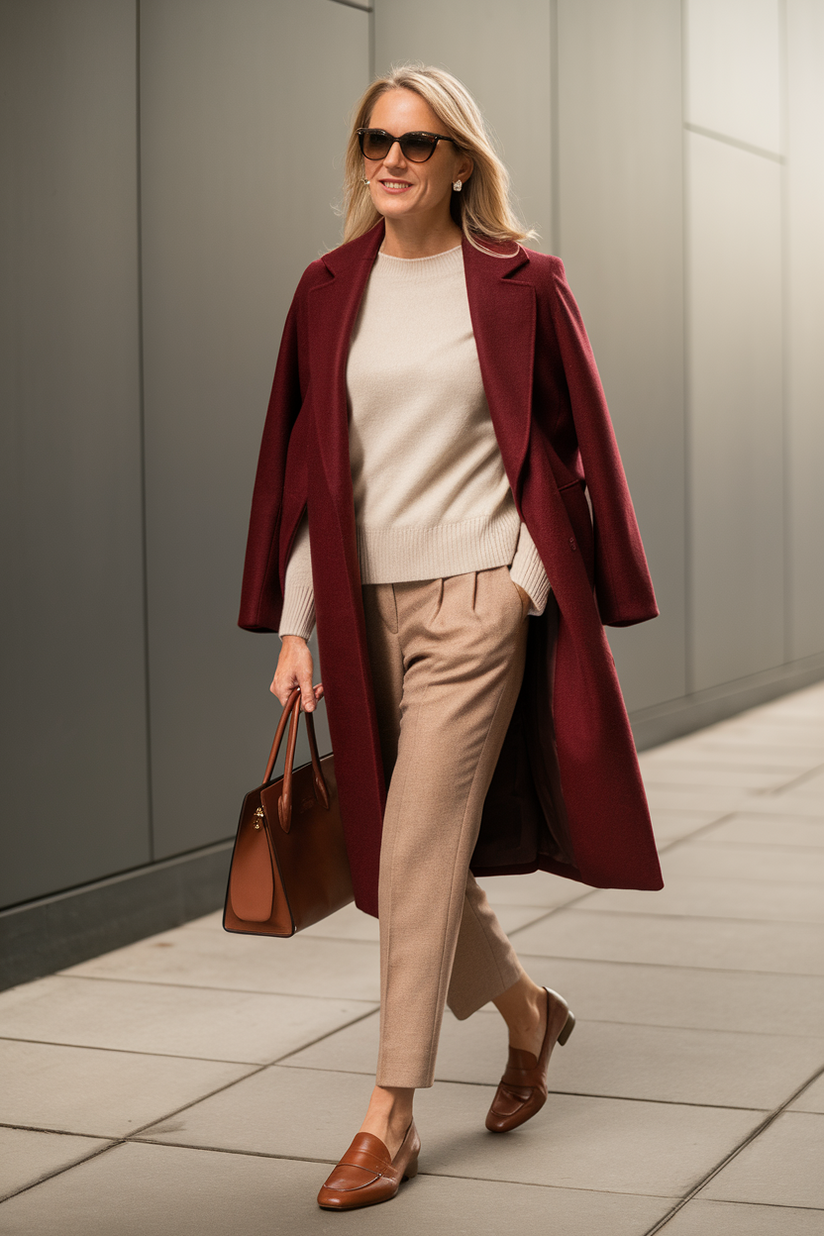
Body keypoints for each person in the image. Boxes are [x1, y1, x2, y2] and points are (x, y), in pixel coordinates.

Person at [238, 65, 662, 1211]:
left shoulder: (523, 284)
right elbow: (308, 476)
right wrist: (294, 627)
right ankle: (529, 1013)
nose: (391, 158)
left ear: (458, 161)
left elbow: (574, 453)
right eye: (375, 138)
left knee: (418, 844)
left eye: (418, 144)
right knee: (394, 855)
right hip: (354, 598)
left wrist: (519, 584)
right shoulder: (326, 288)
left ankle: (388, 1114)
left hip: (475, 600)